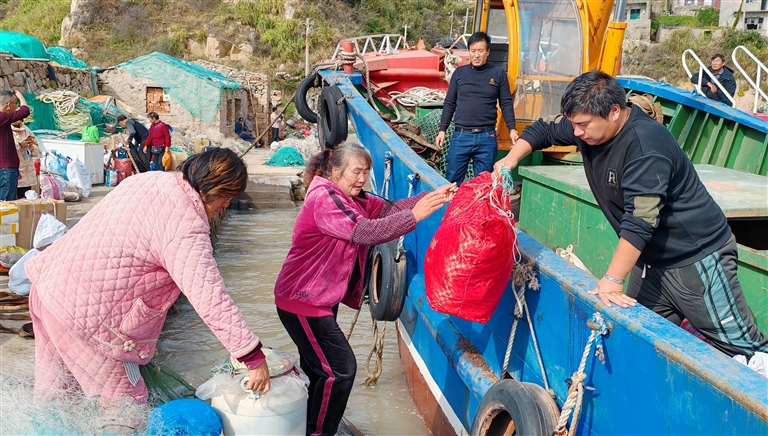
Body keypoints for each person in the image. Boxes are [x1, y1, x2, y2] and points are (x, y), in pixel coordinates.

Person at [494, 71, 768, 358]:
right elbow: (543, 130)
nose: (576, 133)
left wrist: (612, 279)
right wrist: (510, 160)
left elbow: (640, 221)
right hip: (649, 260)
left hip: (695, 259)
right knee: (635, 335)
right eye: (573, 124)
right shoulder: (587, 127)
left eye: (582, 125)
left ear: (614, 112)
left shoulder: (644, 145)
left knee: (745, 347)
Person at [26, 148, 270, 405]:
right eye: (227, 197)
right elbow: (209, 297)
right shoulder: (185, 225)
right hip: (84, 318)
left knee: (55, 398)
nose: (226, 205)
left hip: (47, 287)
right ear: (213, 189)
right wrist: (252, 357)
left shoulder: (148, 179)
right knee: (125, 406)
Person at [274, 143, 456, 436]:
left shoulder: (349, 198)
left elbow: (388, 210)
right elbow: (364, 232)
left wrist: (433, 198)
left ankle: (307, 424)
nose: (362, 179)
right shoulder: (324, 197)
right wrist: (415, 217)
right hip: (302, 300)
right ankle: (319, 432)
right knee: (341, 369)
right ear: (335, 171)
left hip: (319, 299)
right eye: (356, 172)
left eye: (365, 172)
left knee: (318, 368)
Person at [436, 31, 518, 185]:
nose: (476, 55)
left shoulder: (498, 73)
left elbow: (506, 102)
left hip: (487, 137)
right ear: (469, 52)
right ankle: (452, 202)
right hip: (461, 136)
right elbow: (450, 103)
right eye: (473, 51)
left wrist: (512, 129)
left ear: (488, 52)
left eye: (481, 51)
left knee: (483, 184)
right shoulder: (459, 73)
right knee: (452, 182)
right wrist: (442, 130)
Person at [0, 90, 30, 200]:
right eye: (15, 104)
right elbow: (25, 111)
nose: (17, 107)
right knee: (6, 205)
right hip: (5, 169)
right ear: (8, 104)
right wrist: (20, 96)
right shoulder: (2, 117)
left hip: (7, 169)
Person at [11, 120, 39, 198]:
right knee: (11, 201)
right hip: (14, 173)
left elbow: (35, 152)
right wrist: (19, 145)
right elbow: (5, 150)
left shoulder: (26, 129)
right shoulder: (5, 129)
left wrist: (32, 147)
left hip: (28, 175)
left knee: (26, 201)